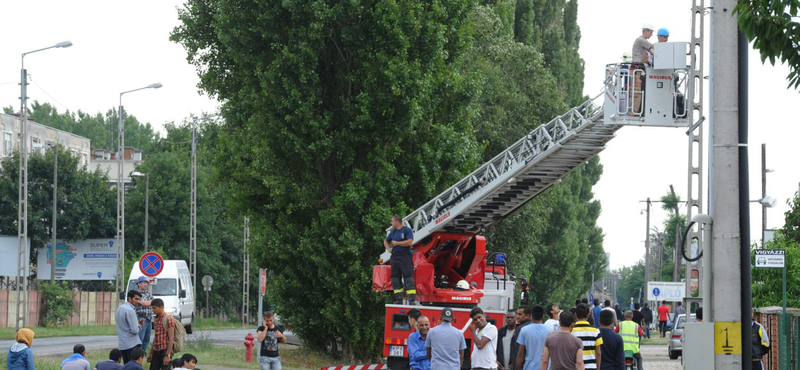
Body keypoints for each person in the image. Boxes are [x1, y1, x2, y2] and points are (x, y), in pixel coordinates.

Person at [384, 215, 417, 304]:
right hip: (395, 257)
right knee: (395, 278)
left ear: (397, 221)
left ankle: (411, 300)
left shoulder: (407, 230)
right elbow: (386, 241)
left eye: (392, 221)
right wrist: (389, 249)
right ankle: (398, 299)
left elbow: (409, 242)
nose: (391, 223)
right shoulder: (393, 232)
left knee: (408, 278)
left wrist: (397, 243)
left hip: (405, 257)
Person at [515, 305, 552, 370]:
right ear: (543, 316)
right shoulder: (550, 330)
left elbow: (521, 353)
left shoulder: (524, 330)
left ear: (531, 316)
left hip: (529, 367)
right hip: (545, 367)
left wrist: (517, 367)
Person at [630, 23, 655, 115]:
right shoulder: (641, 40)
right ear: (646, 31)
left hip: (639, 70)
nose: (651, 34)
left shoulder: (643, 42)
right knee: (636, 92)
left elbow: (652, 52)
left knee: (638, 91)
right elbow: (653, 48)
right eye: (651, 32)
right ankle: (633, 112)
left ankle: (636, 111)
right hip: (637, 70)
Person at [116, 290, 144, 363]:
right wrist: (140, 326)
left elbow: (124, 324)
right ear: (129, 298)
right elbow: (135, 330)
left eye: (139, 299)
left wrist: (137, 324)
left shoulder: (119, 308)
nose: (138, 301)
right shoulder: (131, 310)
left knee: (127, 366)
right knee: (134, 366)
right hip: (132, 344)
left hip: (122, 344)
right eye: (136, 299)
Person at [148, 299, 176, 370]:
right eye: (152, 308)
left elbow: (171, 338)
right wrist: (151, 353)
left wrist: (168, 355)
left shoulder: (168, 318)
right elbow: (156, 337)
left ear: (161, 307)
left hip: (165, 350)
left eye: (154, 308)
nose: (153, 310)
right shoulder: (156, 319)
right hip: (156, 349)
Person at [572, 304, 602, 370]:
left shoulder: (571, 331)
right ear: (588, 315)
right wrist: (598, 368)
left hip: (576, 367)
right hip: (592, 366)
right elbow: (598, 353)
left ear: (575, 315)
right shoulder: (596, 331)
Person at [135, 277, 155, 352]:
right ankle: (138, 353)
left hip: (149, 319)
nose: (145, 284)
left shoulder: (148, 294)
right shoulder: (136, 294)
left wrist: (148, 302)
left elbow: (153, 302)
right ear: (139, 284)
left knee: (147, 339)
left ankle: (143, 353)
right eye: (143, 282)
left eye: (146, 283)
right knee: (140, 338)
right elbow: (144, 304)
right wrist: (149, 302)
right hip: (141, 318)